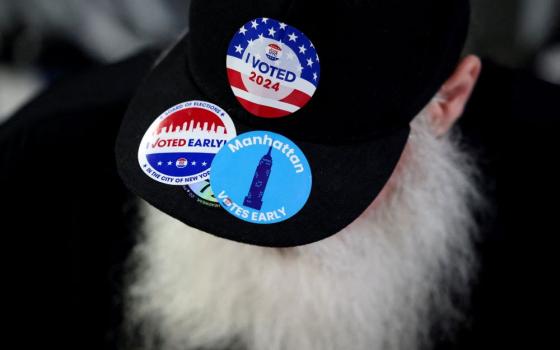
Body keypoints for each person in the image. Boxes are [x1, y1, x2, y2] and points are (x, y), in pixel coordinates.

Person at [1, 1, 559, 350]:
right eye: (228, 137)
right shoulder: (40, 167)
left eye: (325, 163)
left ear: (448, 101)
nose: (246, 209)